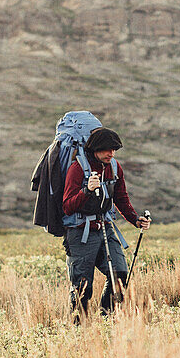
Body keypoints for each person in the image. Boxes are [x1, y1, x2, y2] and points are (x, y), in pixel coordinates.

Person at [62, 126, 150, 321]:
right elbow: (68, 206)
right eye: (106, 150)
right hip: (80, 233)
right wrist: (86, 191)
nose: (111, 153)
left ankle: (106, 319)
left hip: (105, 228)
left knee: (120, 273)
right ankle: (78, 329)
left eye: (114, 150)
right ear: (95, 149)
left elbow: (121, 198)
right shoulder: (77, 169)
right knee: (82, 287)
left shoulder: (114, 167)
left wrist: (135, 219)